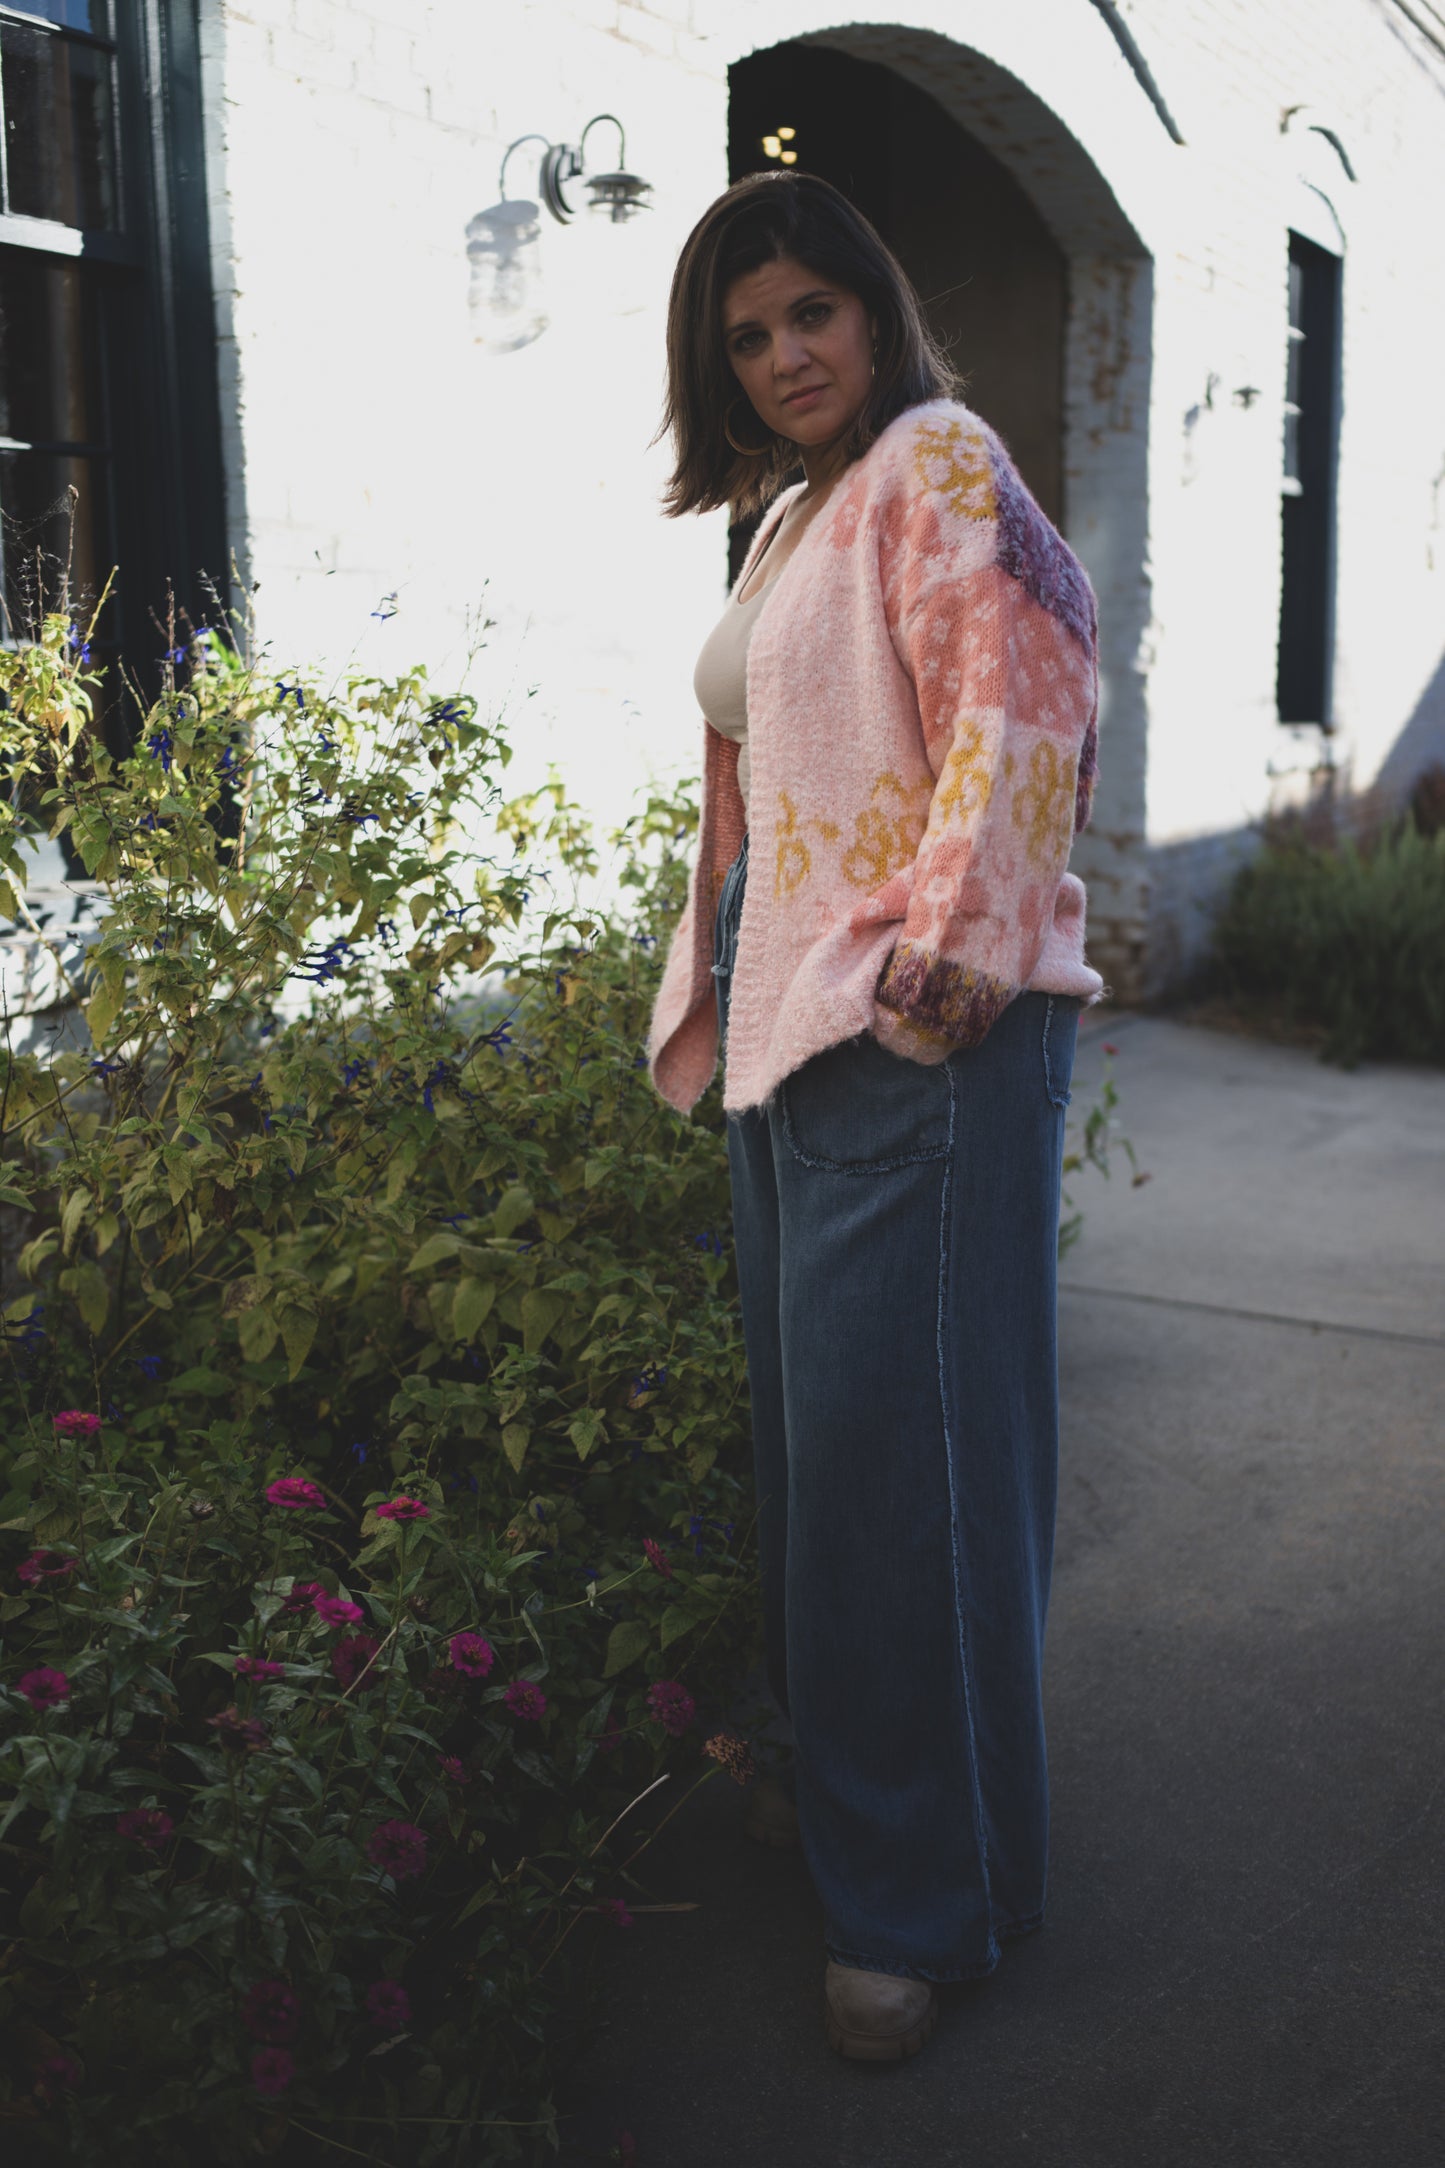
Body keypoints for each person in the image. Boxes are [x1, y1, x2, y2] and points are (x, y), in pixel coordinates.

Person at [646, 170, 1105, 2063]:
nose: (783, 355)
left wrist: (948, 968)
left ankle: (927, 1896)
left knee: (905, 1472)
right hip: (798, 1013)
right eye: (746, 338)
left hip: (916, 1007)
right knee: (818, 1451)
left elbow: (1035, 693)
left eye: (809, 312)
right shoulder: (793, 511)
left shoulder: (937, 458)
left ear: (873, 306)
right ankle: (845, 1796)